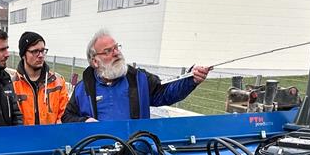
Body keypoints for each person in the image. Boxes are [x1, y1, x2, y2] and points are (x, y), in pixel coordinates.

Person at [62, 30, 210, 122]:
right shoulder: (84, 88)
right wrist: (85, 121)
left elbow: (166, 93)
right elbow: (68, 116)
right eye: (108, 51)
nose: (116, 53)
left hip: (135, 154)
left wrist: (191, 79)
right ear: (95, 61)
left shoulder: (139, 79)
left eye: (116, 47)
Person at [11, 31, 68, 125]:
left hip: (52, 137)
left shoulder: (58, 82)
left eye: (42, 51)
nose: (41, 55)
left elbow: (65, 115)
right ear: (23, 55)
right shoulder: (12, 86)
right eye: (35, 51)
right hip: (25, 138)